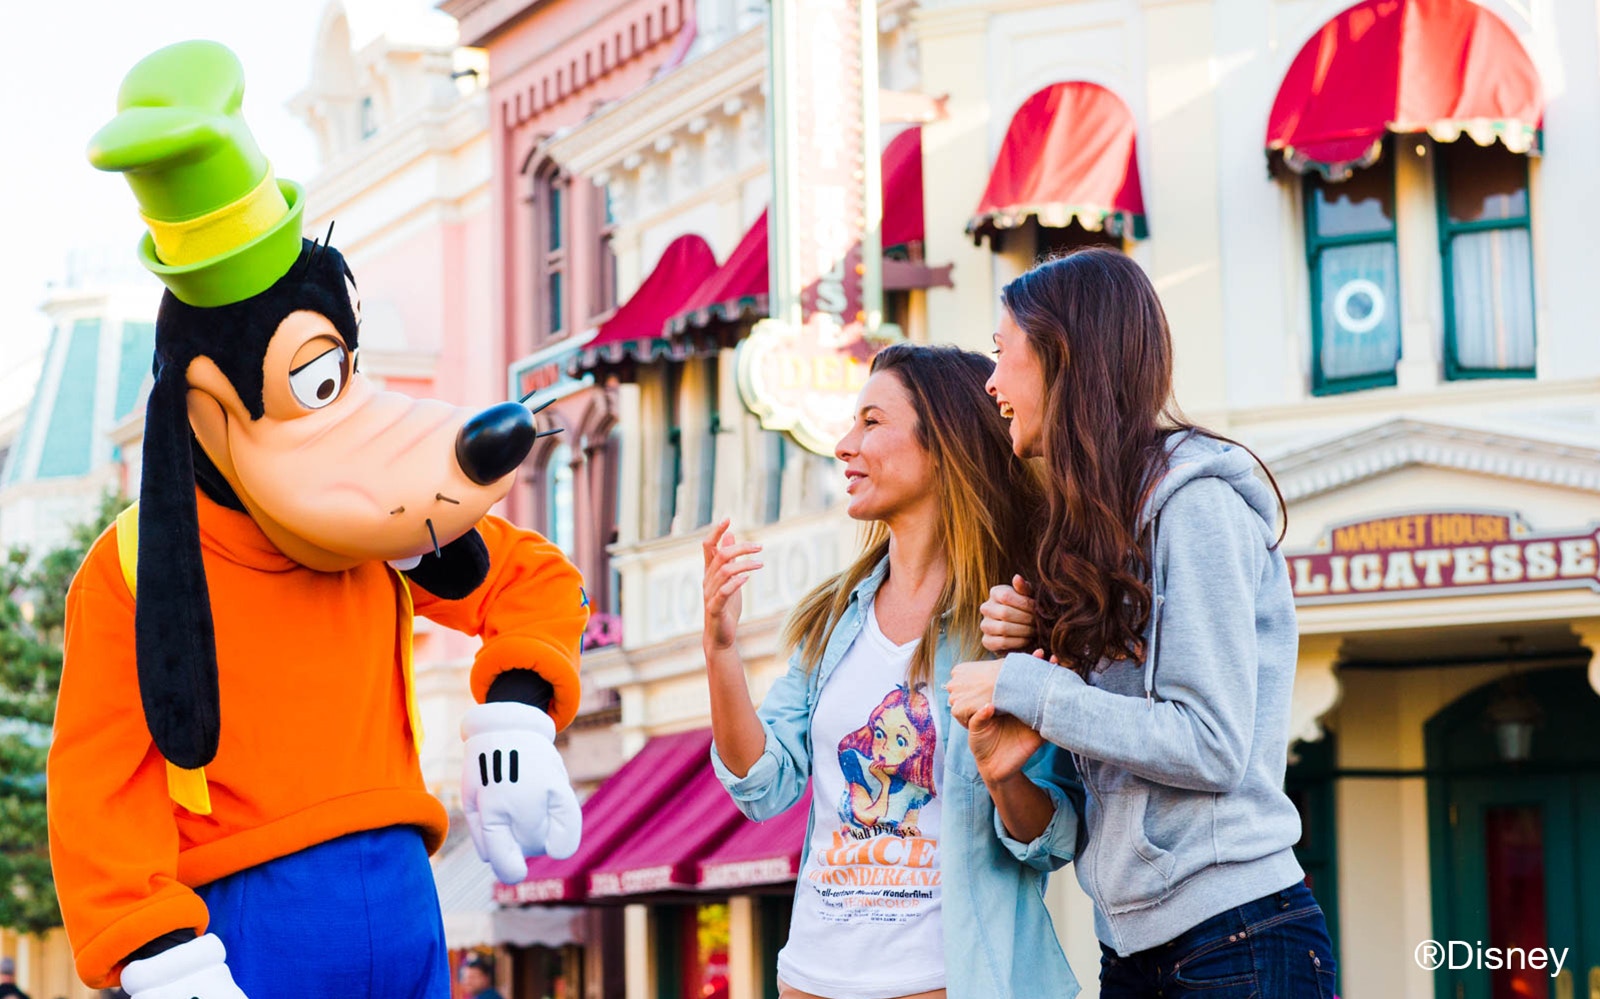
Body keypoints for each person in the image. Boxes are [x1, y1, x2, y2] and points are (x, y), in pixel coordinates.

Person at [947, 248, 1337, 999]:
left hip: (1238, 936)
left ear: (1064, 355)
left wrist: (1030, 684)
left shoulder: (1197, 504)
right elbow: (1088, 790)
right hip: (1131, 951)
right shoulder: (1098, 531)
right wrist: (1041, 645)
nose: (991, 382)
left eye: (1003, 353)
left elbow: (1211, 743)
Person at [703, 343, 1084, 999]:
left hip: (950, 980)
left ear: (942, 443)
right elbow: (761, 783)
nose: (845, 445)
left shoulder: (1014, 618)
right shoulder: (833, 616)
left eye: (871, 421)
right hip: (811, 979)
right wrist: (719, 646)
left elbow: (1049, 841)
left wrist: (1003, 774)